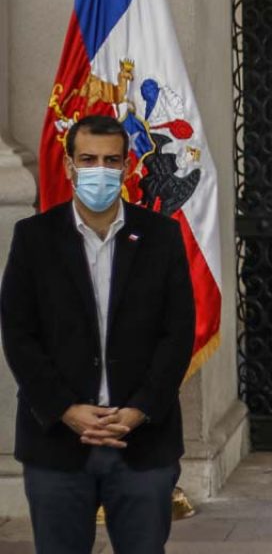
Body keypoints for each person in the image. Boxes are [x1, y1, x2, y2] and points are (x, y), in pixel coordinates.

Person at [0, 115, 195, 553]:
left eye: (111, 160)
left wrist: (139, 409)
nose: (99, 170)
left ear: (127, 168)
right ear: (69, 166)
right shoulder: (34, 238)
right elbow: (19, 333)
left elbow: (178, 332)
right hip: (57, 444)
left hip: (143, 442)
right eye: (88, 159)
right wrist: (66, 409)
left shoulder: (162, 236)